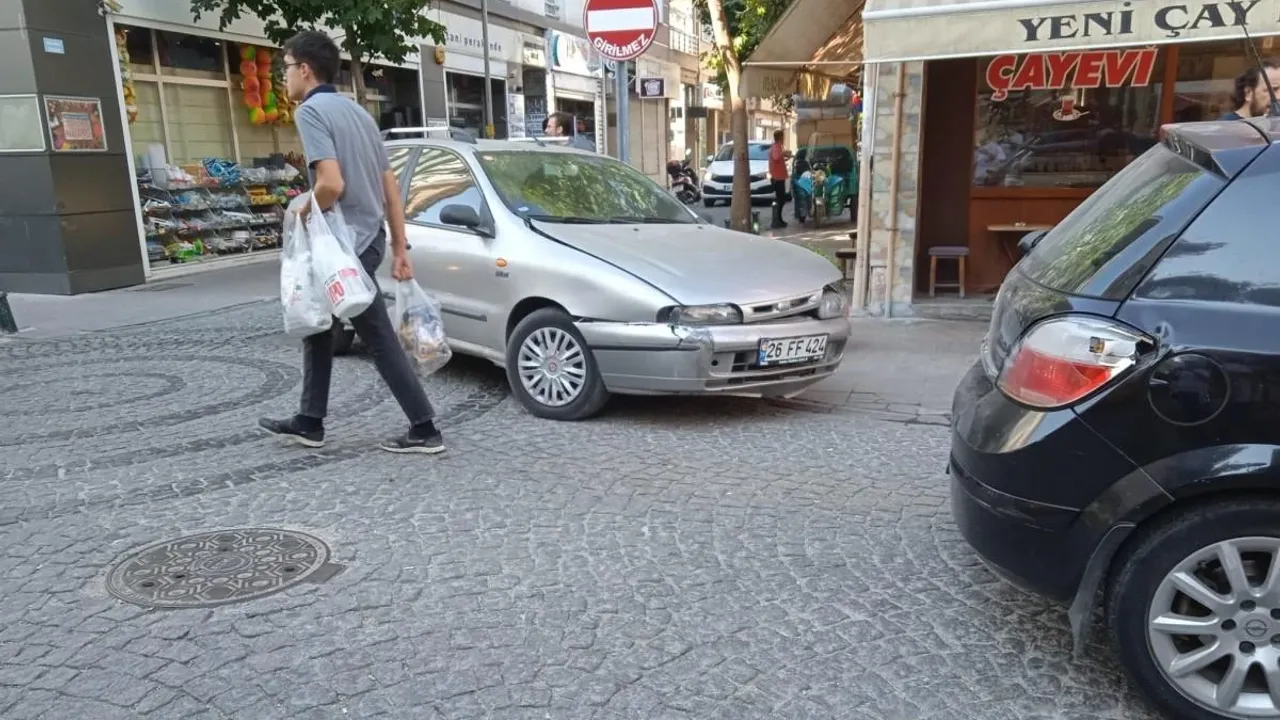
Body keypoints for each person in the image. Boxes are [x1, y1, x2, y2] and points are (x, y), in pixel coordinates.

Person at [258, 30, 445, 455]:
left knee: (376, 334)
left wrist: (302, 210)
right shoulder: (359, 114)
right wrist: (399, 248)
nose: (282, 77)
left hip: (343, 246)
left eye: (285, 68)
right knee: (318, 326)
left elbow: (331, 184)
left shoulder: (311, 112)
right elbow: (390, 187)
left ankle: (425, 428)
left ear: (304, 70)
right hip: (369, 239)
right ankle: (309, 420)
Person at [768, 129, 792, 229]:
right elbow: (776, 157)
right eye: (783, 137)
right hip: (777, 177)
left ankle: (779, 219)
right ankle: (777, 220)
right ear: (780, 137)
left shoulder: (777, 147)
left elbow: (778, 159)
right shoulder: (776, 147)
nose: (784, 139)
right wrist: (783, 153)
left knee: (781, 199)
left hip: (779, 176)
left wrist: (786, 156)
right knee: (780, 200)